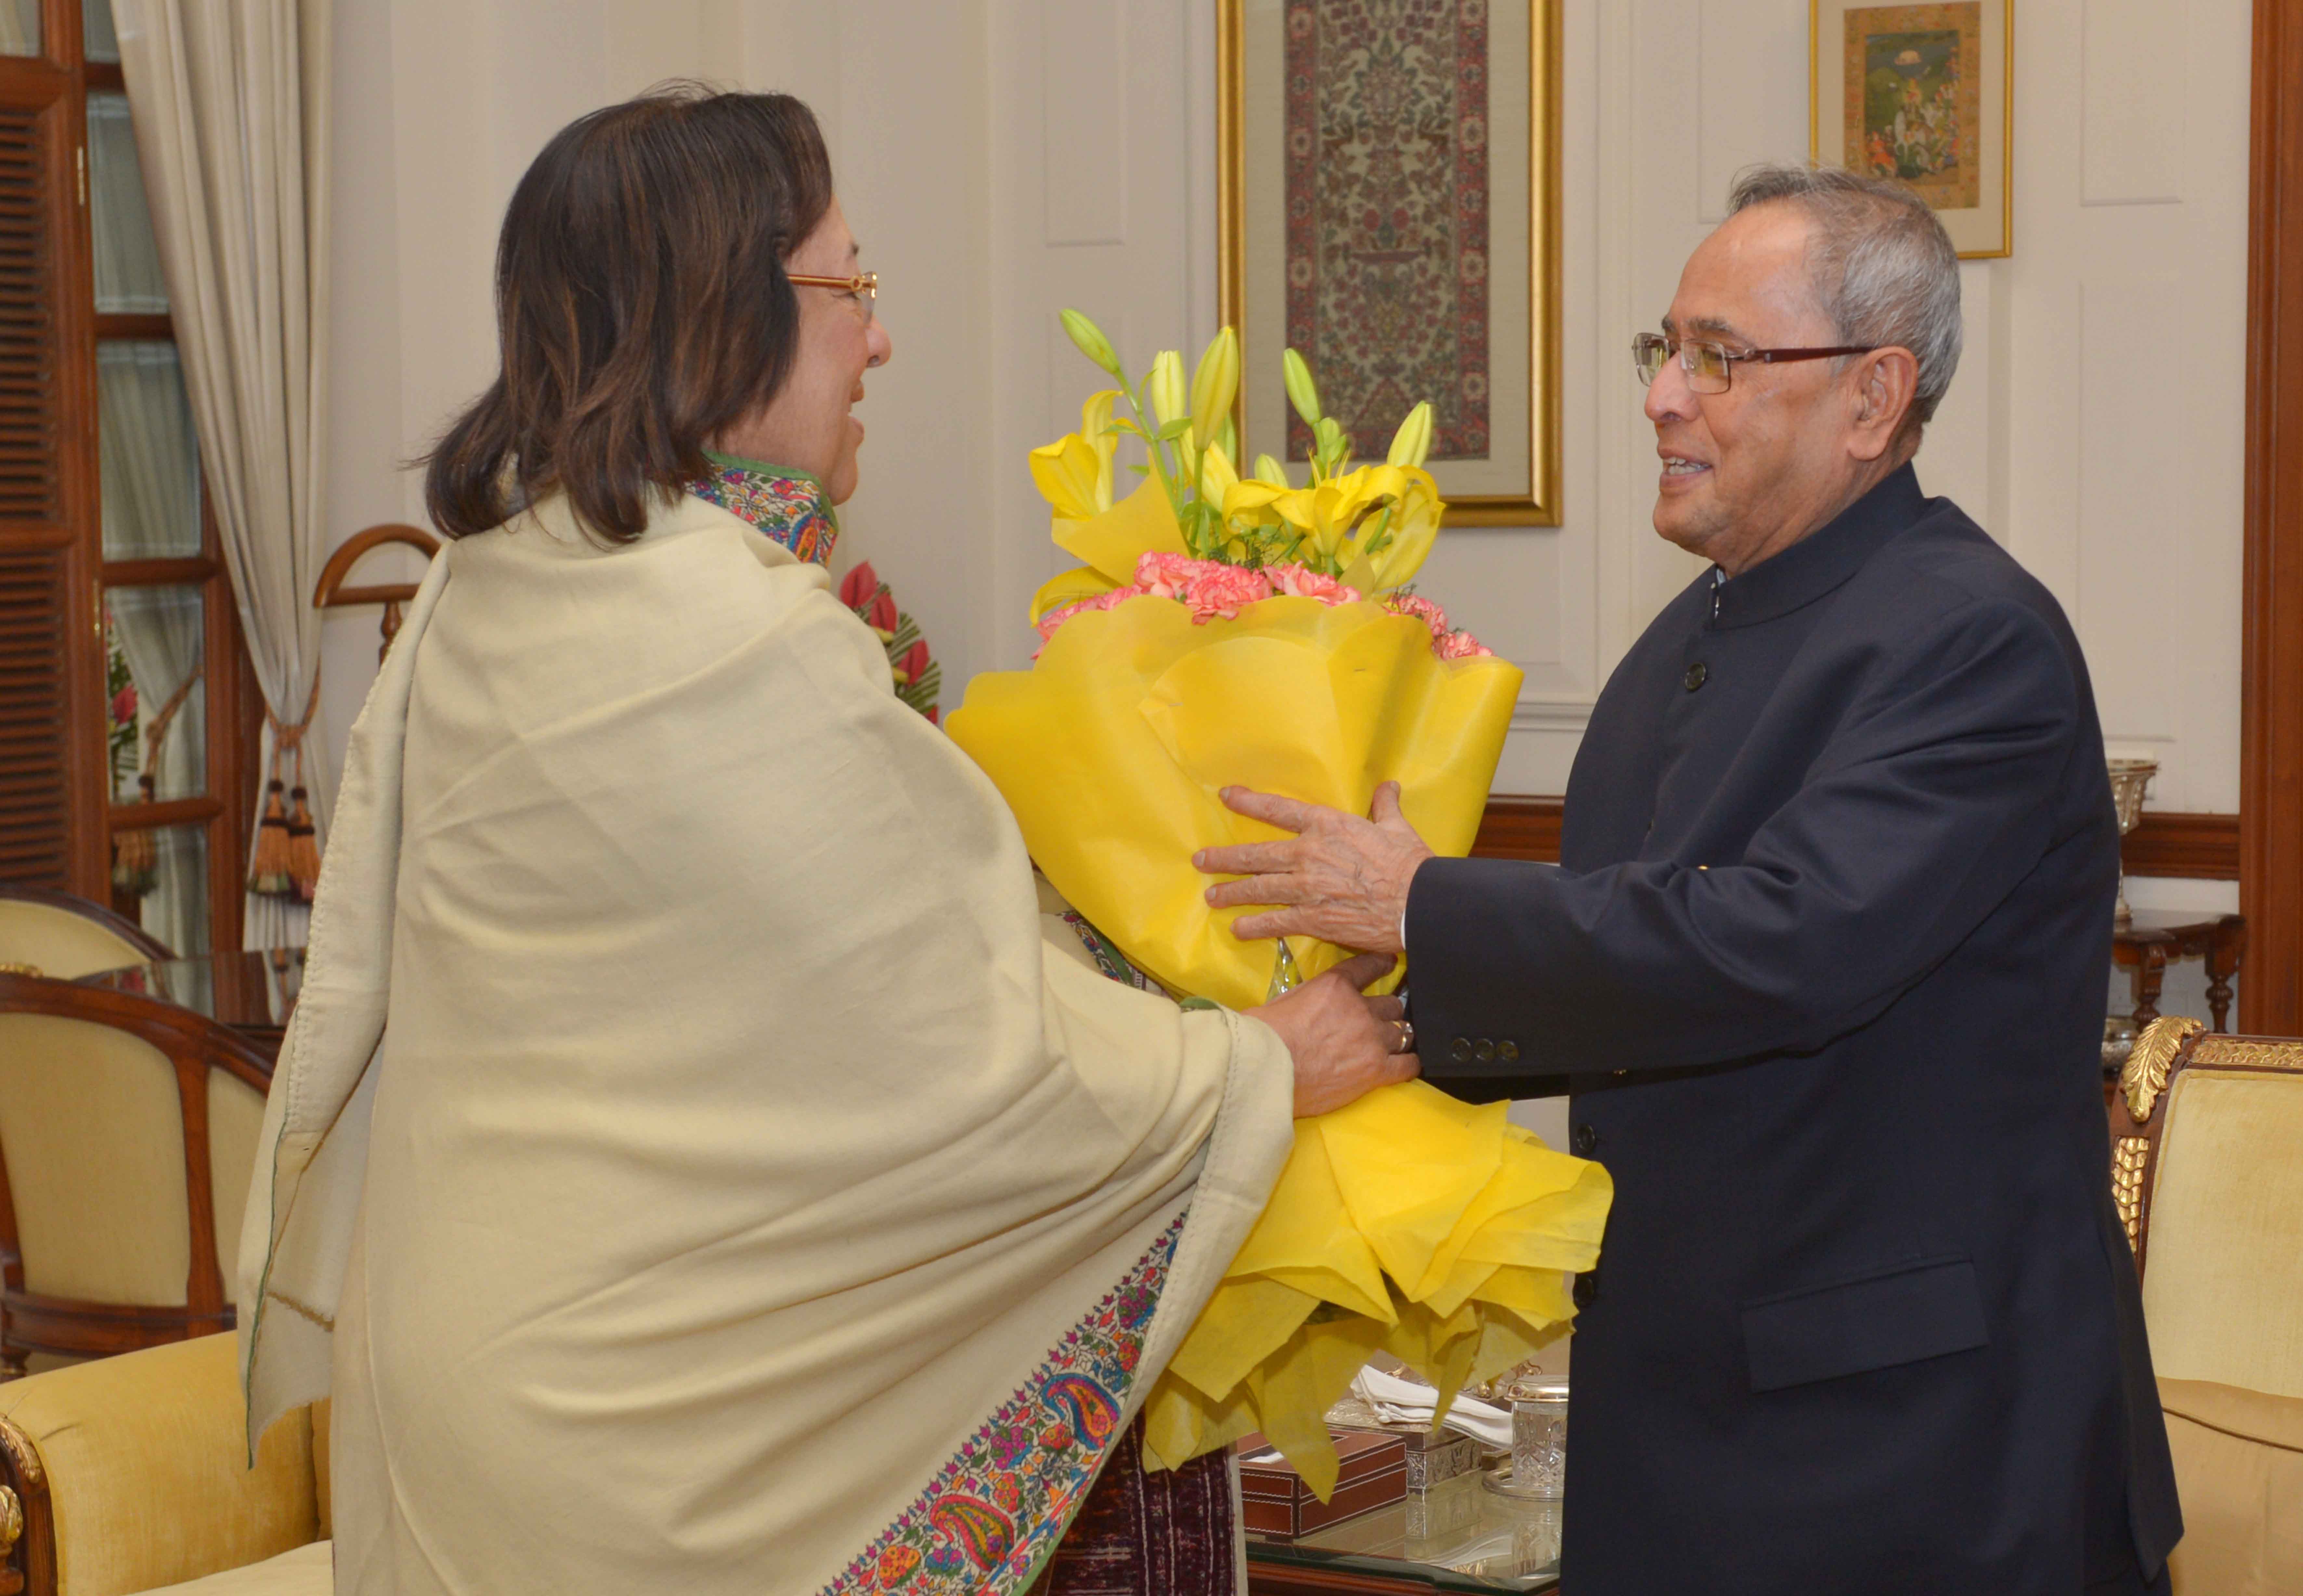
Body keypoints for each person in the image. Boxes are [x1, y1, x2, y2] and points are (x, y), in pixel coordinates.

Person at [233, 86, 1415, 1594]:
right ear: (723, 312)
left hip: (475, 1386)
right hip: (656, 1449)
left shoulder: (485, 593)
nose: (879, 337)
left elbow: (745, 1051)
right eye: (851, 285)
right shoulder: (737, 638)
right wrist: (1260, 1065)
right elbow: (979, 1075)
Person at [1194, 164, 2181, 1595]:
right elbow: (1638, 984)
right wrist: (1375, 1016)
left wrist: (1422, 905)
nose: (1663, 395)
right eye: (1665, 349)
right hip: (1685, 1408)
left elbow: (1784, 944)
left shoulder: (1975, 640)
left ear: (1870, 398)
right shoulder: (1675, 652)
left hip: (1912, 1446)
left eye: (1720, 357)